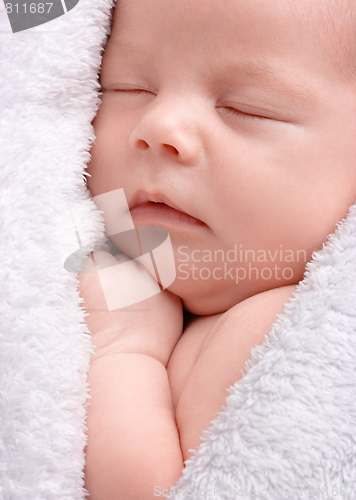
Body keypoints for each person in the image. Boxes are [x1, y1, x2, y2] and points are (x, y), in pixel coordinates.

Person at [78, 0, 356, 498]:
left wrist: (124, 349)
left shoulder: (273, 330)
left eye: (247, 108)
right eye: (128, 88)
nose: (158, 127)